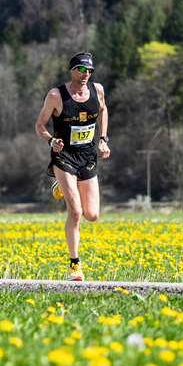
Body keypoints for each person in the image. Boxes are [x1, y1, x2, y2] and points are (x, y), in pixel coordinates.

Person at [34, 51, 110, 282]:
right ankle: (75, 265)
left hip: (87, 156)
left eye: (90, 70)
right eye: (82, 69)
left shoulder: (97, 90)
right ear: (72, 70)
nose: (86, 74)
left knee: (92, 215)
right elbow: (40, 125)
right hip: (64, 155)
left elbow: (103, 110)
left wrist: (103, 138)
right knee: (75, 211)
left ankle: (61, 185)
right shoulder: (56, 95)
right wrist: (51, 141)